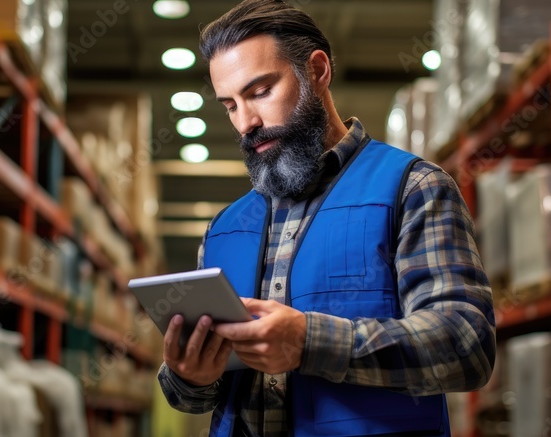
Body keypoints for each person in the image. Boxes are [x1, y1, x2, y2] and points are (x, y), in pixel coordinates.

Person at [156, 1, 496, 436]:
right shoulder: (224, 228)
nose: (246, 123)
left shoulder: (413, 189)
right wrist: (190, 376)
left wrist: (308, 342)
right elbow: (192, 395)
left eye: (260, 91)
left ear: (316, 71)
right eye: (230, 105)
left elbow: (466, 345)